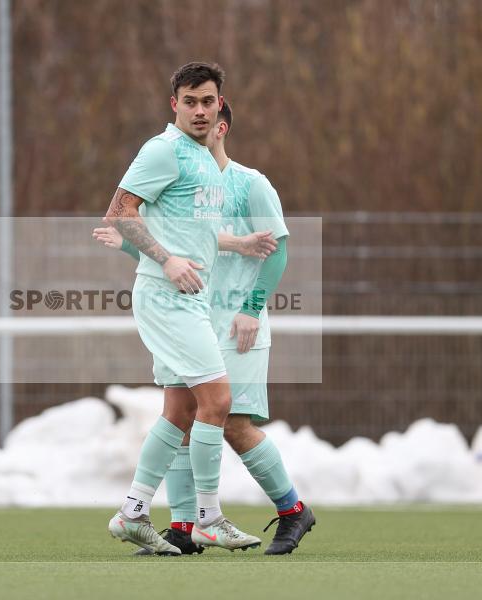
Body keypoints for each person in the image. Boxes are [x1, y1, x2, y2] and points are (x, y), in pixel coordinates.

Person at [94, 100, 316, 555]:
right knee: (181, 414)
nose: (199, 121)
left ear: (223, 126)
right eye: (190, 106)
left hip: (239, 323)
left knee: (230, 420)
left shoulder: (250, 184)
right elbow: (185, 249)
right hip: (188, 314)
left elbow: (278, 253)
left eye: (208, 113)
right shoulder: (189, 181)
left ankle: (292, 510)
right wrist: (132, 245)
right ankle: (183, 525)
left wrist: (252, 309)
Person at [103, 62, 261, 554]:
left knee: (180, 410)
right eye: (189, 101)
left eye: (207, 101)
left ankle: (133, 511)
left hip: (187, 298)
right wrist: (167, 260)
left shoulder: (203, 159)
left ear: (220, 107)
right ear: (175, 104)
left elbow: (193, 231)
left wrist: (237, 243)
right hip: (165, 296)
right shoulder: (163, 150)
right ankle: (207, 519)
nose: (198, 110)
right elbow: (119, 213)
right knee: (217, 401)